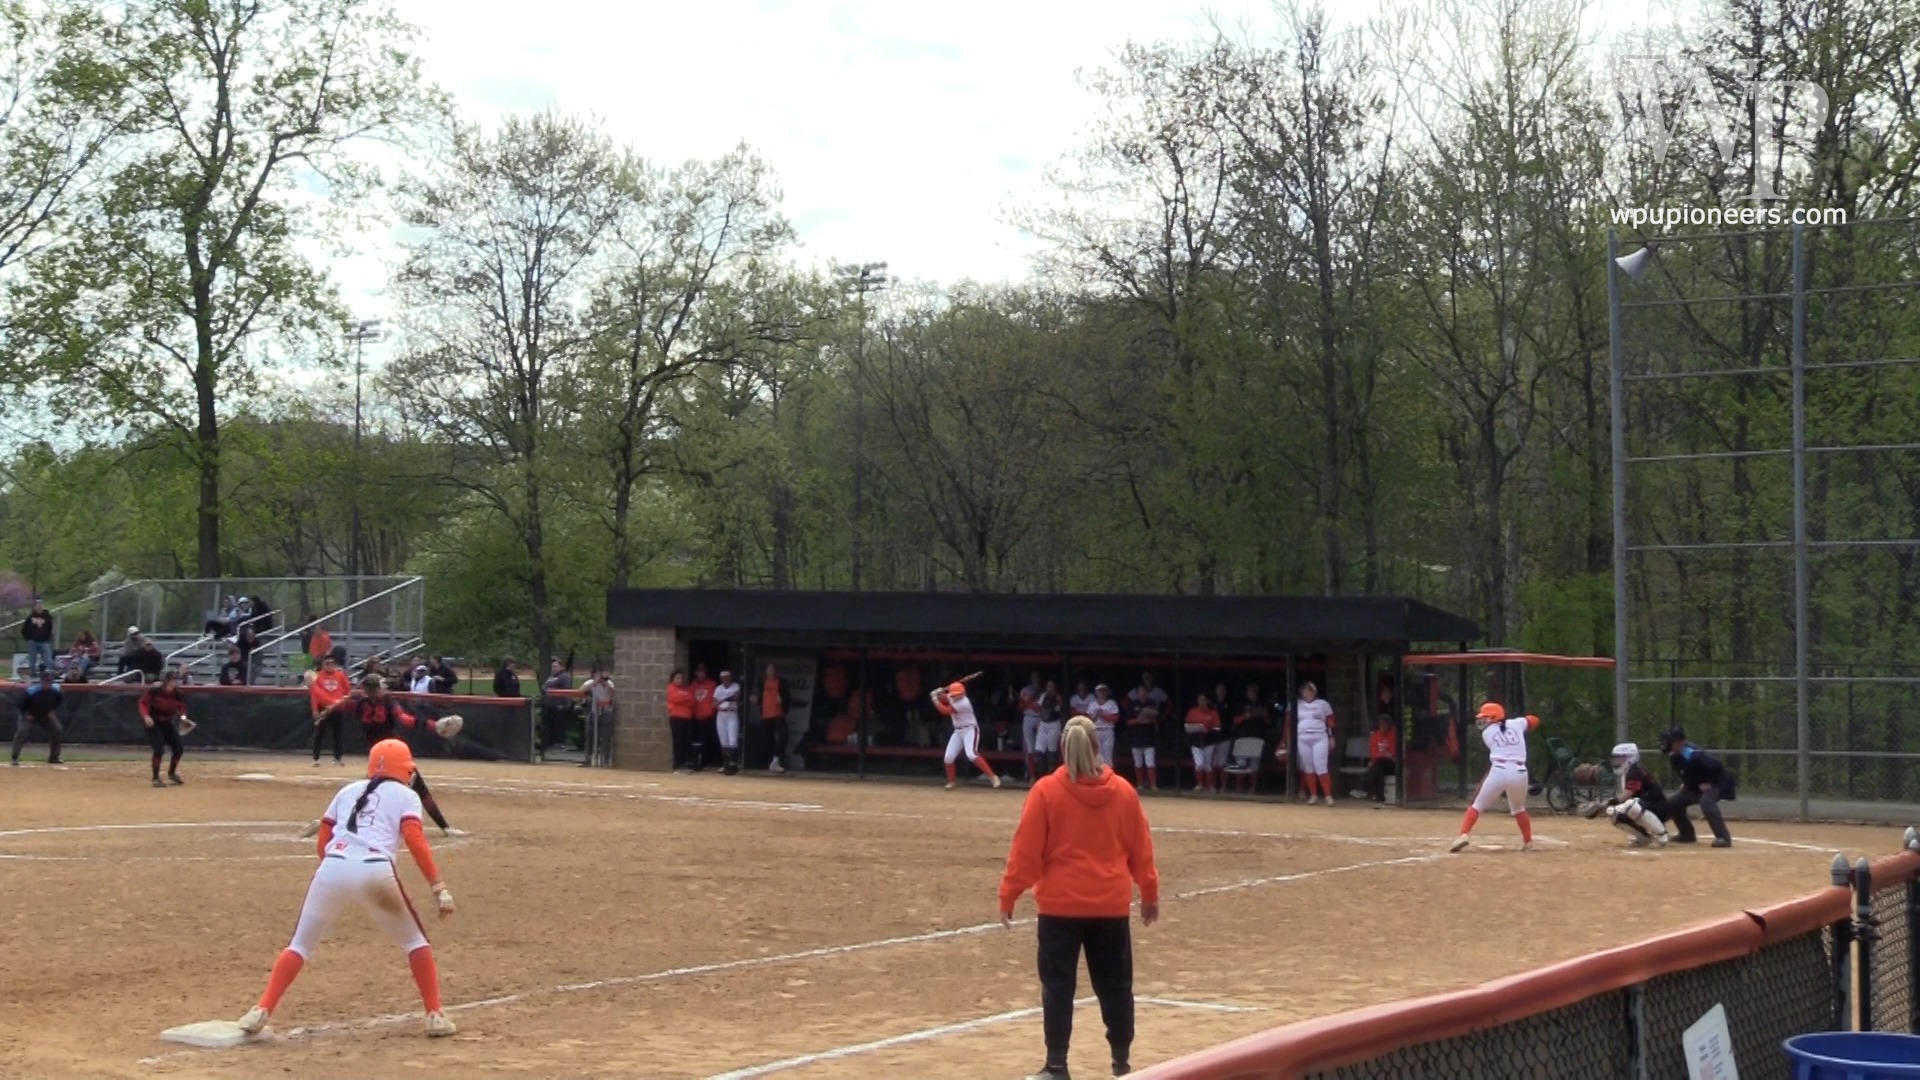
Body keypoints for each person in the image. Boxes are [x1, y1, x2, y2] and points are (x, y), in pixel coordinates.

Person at [236, 739, 457, 1039]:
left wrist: (335, 870)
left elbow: (323, 840)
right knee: (416, 942)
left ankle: (261, 1009)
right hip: (375, 871)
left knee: (299, 945)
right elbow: (415, 841)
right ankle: (434, 1015)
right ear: (405, 769)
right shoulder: (407, 796)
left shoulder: (346, 791)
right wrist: (438, 886)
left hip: (332, 866)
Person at [999, 715, 1160, 1080]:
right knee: (1117, 987)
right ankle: (1121, 1063)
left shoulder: (1045, 791)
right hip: (1110, 906)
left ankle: (1057, 1065)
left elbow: (1026, 853)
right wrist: (1149, 893)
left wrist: (1009, 893)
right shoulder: (1123, 792)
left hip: (1060, 906)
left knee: (1058, 987)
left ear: (1062, 748)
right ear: (1097, 747)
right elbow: (1141, 851)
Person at [1450, 702, 1537, 853]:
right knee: (1518, 809)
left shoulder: (1487, 733)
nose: (1483, 721)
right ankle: (1528, 841)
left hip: (1500, 771)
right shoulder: (1516, 723)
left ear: (1495, 718)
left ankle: (1463, 835)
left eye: (1486, 718)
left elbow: (1500, 729)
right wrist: (1524, 723)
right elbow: (1534, 719)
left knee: (1476, 806)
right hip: (1520, 772)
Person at [1659, 727, 1736, 847]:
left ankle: (1723, 837)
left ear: (1680, 742)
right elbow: (1688, 772)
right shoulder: (1674, 755)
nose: (1666, 744)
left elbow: (1717, 766)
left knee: (1706, 801)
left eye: (1670, 742)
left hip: (1718, 783)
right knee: (1673, 802)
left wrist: (1710, 783)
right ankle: (1687, 834)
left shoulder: (1693, 753)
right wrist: (1687, 783)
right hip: (1697, 786)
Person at [932, 680, 1002, 790]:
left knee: (971, 755)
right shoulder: (953, 695)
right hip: (958, 731)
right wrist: (939, 693)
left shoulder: (964, 703)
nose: (956, 697)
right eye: (954, 695)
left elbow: (945, 710)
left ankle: (993, 777)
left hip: (970, 729)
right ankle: (951, 782)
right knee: (948, 757)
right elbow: (945, 698)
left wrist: (935, 699)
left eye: (958, 695)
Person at [1602, 742, 1670, 848]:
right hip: (1646, 807)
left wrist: (1604, 804)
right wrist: (1607, 806)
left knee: (1630, 805)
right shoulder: (1628, 772)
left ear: (1630, 757)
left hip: (1659, 808)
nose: (1616, 761)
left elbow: (1628, 795)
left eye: (1620, 757)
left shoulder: (1636, 771)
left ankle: (1662, 835)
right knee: (1613, 813)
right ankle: (1644, 837)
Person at [1284, 681, 1336, 804]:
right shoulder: (1296, 704)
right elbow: (1289, 722)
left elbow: (1331, 721)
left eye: (1309, 690)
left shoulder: (1323, 704)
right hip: (1302, 738)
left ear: (1314, 692)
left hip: (1319, 737)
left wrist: (1331, 736)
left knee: (1321, 766)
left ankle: (1328, 796)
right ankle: (1313, 795)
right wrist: (1288, 738)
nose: (1307, 693)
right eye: (1305, 691)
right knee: (1308, 767)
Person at [139, 669, 190, 788]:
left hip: (167, 722)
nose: (176, 682)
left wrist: (183, 718)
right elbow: (143, 703)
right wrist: (146, 716)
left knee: (178, 748)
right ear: (166, 681)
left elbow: (182, 708)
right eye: (173, 680)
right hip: (153, 722)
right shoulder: (155, 691)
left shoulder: (178, 694)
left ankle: (172, 773)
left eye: (176, 680)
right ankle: (155, 778)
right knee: (159, 749)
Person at [11, 669, 65, 767]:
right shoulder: (31, 691)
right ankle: (15, 757)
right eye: (45, 681)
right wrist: (26, 714)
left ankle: (54, 757)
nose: (47, 683)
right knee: (22, 731)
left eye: (49, 681)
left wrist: (52, 711)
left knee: (57, 730)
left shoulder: (56, 690)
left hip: (45, 714)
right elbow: (20, 704)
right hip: (29, 714)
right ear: (41, 681)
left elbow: (59, 701)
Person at [308, 655, 353, 767]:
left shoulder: (340, 675)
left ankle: (338, 757)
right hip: (324, 708)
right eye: (327, 663)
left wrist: (343, 701)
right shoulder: (319, 677)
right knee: (319, 734)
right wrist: (315, 710)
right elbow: (315, 695)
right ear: (323, 665)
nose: (330, 665)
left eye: (332, 663)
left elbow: (347, 691)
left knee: (338, 734)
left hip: (337, 709)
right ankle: (316, 758)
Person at [1228, 685, 1269, 795]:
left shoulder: (1262, 704)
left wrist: (1263, 715)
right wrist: (1249, 715)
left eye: (1254, 691)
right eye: (1250, 691)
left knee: (1254, 765)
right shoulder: (1241, 704)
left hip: (1257, 738)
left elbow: (1268, 722)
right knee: (1240, 764)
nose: (1252, 693)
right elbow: (1235, 720)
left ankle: (1252, 788)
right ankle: (1239, 787)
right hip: (1242, 737)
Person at [1123, 682, 1162, 795]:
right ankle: (1140, 784)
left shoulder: (1152, 704)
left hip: (1149, 738)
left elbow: (1158, 721)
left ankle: (1153, 785)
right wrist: (1138, 721)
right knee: (1138, 763)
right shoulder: (1132, 705)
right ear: (1137, 693)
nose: (1142, 693)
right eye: (1140, 691)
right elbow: (1127, 721)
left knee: (1150, 763)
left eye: (1144, 691)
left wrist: (1150, 719)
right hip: (1136, 738)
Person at [1184, 693, 1225, 794]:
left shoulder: (1213, 712)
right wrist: (1196, 727)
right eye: (1199, 700)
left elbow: (1218, 728)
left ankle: (1209, 786)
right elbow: (1187, 725)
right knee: (1199, 764)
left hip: (1209, 742)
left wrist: (1208, 730)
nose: (1201, 702)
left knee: (1208, 765)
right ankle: (1199, 785)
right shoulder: (1192, 711)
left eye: (1203, 700)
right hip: (1196, 742)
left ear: (1207, 701)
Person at [1354, 714, 1398, 803]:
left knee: (1378, 763)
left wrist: (1380, 756)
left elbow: (1393, 752)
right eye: (1381, 724)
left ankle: (1364, 788)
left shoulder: (1394, 733)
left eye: (1385, 724)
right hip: (1380, 763)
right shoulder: (1375, 735)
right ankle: (1380, 798)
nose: (1383, 727)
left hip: (1390, 763)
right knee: (1380, 770)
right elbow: (1373, 753)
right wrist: (1382, 755)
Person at [756, 663, 789, 774]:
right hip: (766, 714)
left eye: (773, 670)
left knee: (784, 735)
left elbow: (788, 697)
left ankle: (776, 760)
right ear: (766, 671)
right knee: (767, 738)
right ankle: (773, 761)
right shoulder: (762, 682)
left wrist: (782, 700)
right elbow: (760, 697)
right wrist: (756, 700)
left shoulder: (782, 682)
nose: (772, 672)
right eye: (769, 670)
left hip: (778, 713)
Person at [1019, 672, 1048, 784]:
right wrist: (1027, 702)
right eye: (1034, 678)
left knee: (1040, 748)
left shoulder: (1044, 692)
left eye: (1038, 678)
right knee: (1029, 748)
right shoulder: (1025, 690)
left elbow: (1038, 708)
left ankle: (1041, 774)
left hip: (1041, 718)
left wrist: (1030, 702)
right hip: (1028, 718)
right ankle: (1031, 775)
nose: (1036, 680)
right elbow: (1020, 707)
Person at [666, 670, 697, 774]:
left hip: (686, 717)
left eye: (681, 678)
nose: (680, 680)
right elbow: (675, 698)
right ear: (673, 679)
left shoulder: (686, 689)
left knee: (686, 741)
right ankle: (677, 764)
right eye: (678, 678)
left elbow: (692, 700)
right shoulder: (671, 688)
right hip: (676, 717)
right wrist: (684, 698)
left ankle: (685, 763)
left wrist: (684, 698)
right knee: (678, 741)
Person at [713, 669, 743, 775]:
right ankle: (726, 764)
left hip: (732, 713)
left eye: (727, 677)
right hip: (721, 714)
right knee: (723, 741)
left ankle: (733, 764)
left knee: (733, 740)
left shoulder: (735, 686)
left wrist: (723, 699)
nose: (725, 679)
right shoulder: (718, 688)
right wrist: (726, 699)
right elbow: (715, 703)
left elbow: (736, 697)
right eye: (723, 677)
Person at [584, 670, 615, 767]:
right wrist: (595, 682)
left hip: (606, 712)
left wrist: (605, 683)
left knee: (606, 736)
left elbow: (614, 692)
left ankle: (604, 759)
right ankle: (588, 758)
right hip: (594, 711)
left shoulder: (608, 683)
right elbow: (582, 690)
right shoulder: (591, 682)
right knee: (590, 734)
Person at [689, 664, 718, 770]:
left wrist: (712, 711)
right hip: (697, 717)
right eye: (699, 672)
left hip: (709, 717)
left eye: (703, 672)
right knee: (699, 741)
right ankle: (700, 762)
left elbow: (715, 699)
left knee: (710, 740)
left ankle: (712, 761)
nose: (700, 674)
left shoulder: (712, 684)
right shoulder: (692, 686)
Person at [1087, 684, 1120, 766]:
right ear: (1096, 692)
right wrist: (1096, 715)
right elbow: (1088, 720)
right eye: (1100, 691)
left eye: (1103, 691)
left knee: (1107, 756)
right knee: (1097, 755)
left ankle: (1109, 776)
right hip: (1096, 731)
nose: (1102, 693)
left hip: (1108, 730)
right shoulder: (1092, 704)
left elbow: (1115, 719)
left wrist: (1102, 715)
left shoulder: (1111, 703)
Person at [21, 598, 55, 676]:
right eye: (37, 605)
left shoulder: (47, 617)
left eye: (40, 605)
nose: (39, 607)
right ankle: (33, 676)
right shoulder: (30, 617)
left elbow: (51, 627)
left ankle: (48, 675)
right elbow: (24, 630)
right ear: (34, 607)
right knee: (32, 661)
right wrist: (29, 638)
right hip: (33, 641)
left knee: (48, 660)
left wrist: (49, 636)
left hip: (44, 641)